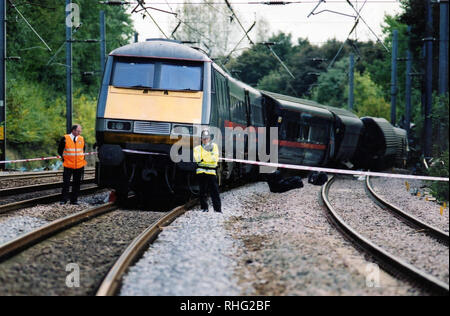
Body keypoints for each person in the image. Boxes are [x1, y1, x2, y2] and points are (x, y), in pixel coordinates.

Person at [193, 129, 222, 213]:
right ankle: (204, 208)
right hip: (201, 173)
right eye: (204, 138)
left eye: (207, 138)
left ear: (209, 138)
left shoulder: (214, 146)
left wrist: (204, 157)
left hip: (211, 172)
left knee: (215, 192)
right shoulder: (197, 148)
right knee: (202, 192)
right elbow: (197, 159)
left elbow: (215, 158)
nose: (205, 140)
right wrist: (208, 156)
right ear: (201, 139)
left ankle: (217, 210)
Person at [58, 124, 87, 205]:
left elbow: (83, 150)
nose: (80, 132)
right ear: (73, 130)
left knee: (76, 183)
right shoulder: (65, 138)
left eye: (80, 131)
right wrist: (64, 158)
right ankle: (63, 200)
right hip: (68, 165)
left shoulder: (81, 139)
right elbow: (60, 150)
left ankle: (74, 200)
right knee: (66, 183)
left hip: (79, 165)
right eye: (78, 131)